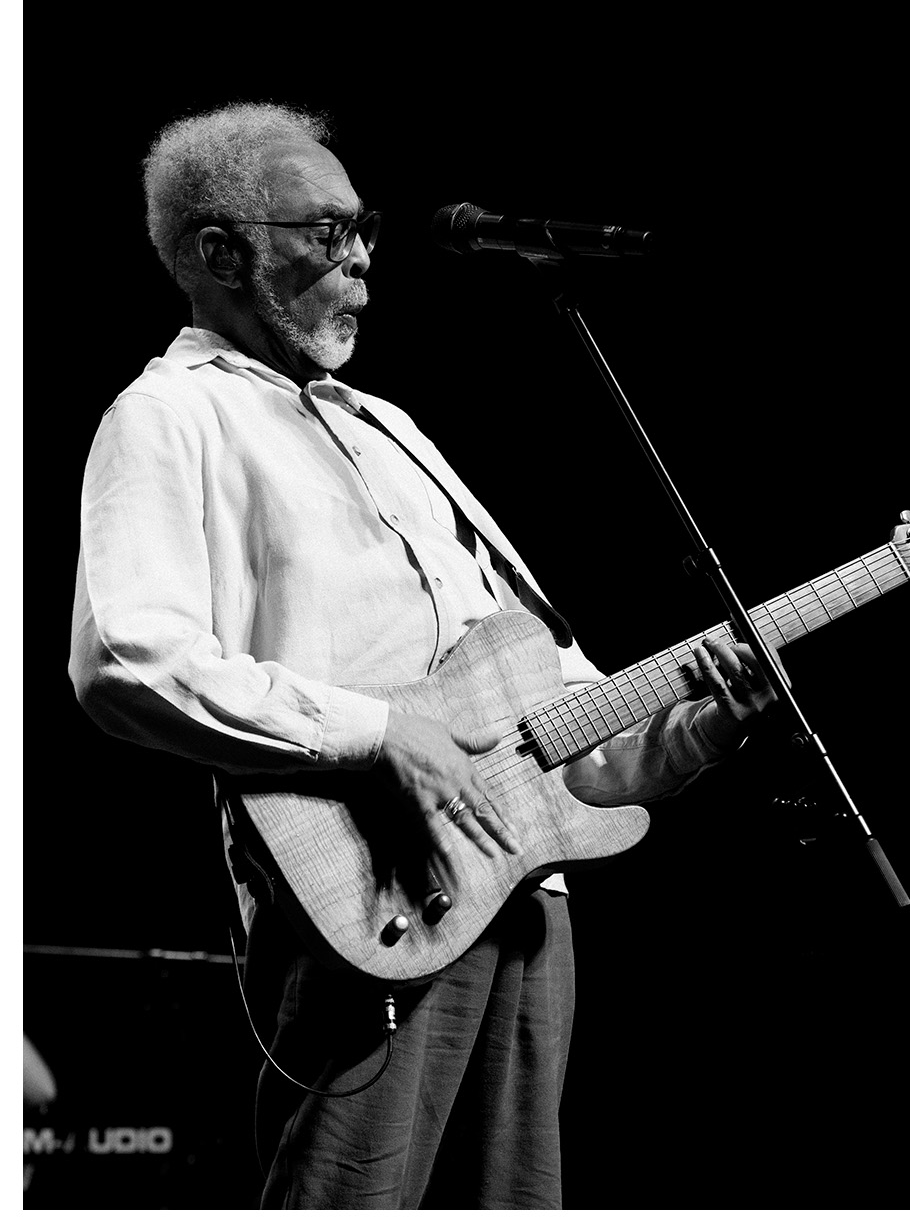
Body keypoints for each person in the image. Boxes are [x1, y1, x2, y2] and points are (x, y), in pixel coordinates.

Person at [69, 102, 776, 1210]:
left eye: (365, 230)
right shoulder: (170, 416)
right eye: (327, 232)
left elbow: (568, 720)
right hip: (371, 895)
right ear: (220, 252)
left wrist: (700, 725)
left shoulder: (395, 429)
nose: (361, 259)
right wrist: (382, 733)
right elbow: (126, 657)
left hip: (526, 897)